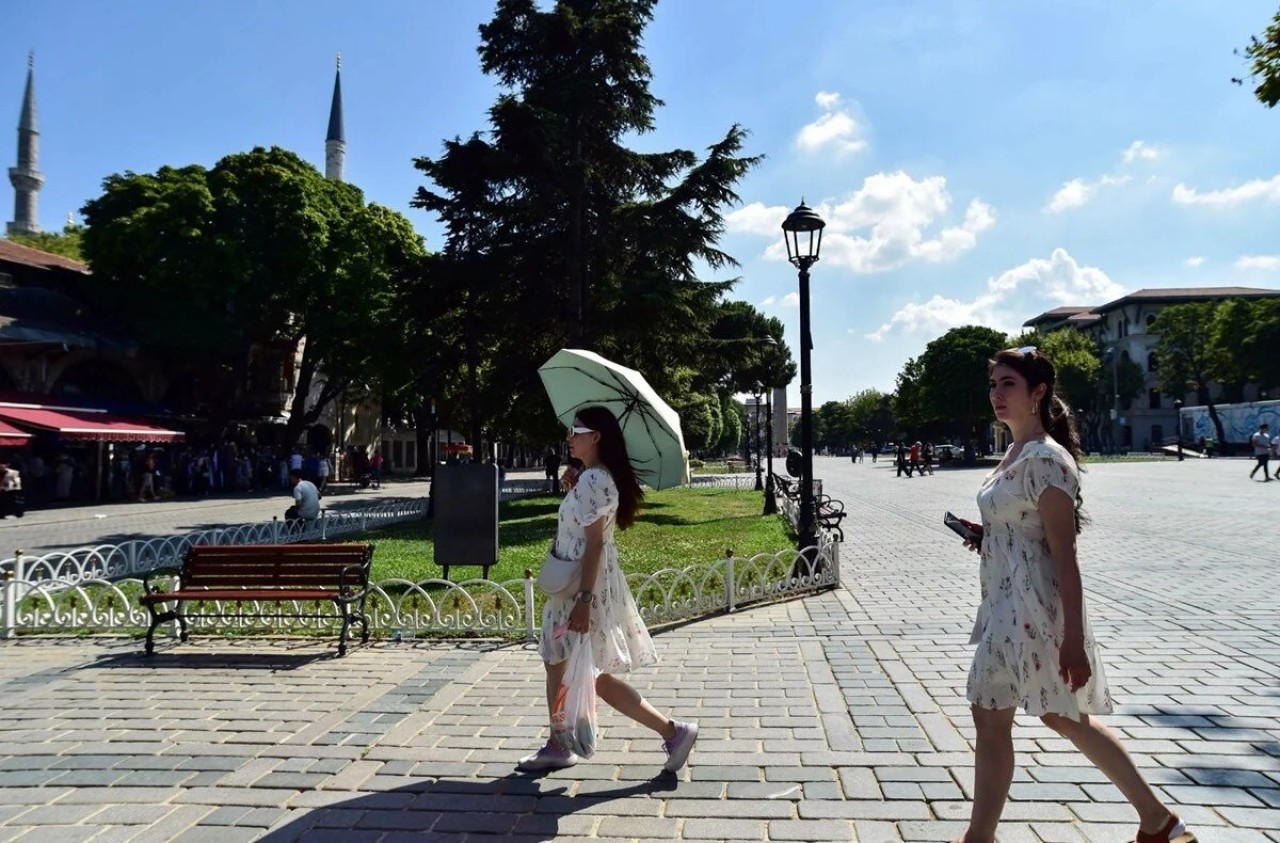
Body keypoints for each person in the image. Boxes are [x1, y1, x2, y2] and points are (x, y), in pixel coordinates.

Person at [950, 347, 1194, 843]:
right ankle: (981, 837)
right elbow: (1027, 528)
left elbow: (1066, 554)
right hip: (1002, 607)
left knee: (1063, 716)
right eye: (993, 384)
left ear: (1038, 392)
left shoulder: (1047, 460)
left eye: (1009, 384)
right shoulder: (1016, 451)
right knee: (990, 712)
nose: (997, 394)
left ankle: (1159, 820)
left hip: (1038, 611)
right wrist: (989, 534)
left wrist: (1074, 641)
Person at [518, 406, 698, 774]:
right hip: (583, 584)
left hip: (579, 589)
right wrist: (573, 489)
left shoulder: (594, 480)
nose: (569, 436)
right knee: (577, 668)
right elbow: (587, 530)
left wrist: (584, 600)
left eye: (575, 430)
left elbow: (594, 544)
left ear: (595, 436)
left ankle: (564, 744)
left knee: (567, 665)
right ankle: (668, 732)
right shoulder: (593, 478)